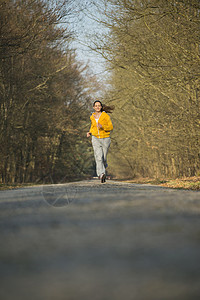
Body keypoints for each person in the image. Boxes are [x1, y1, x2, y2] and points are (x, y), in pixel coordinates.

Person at [87, 100, 114, 183]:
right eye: (96, 105)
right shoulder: (92, 116)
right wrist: (90, 132)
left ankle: (104, 165)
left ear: (101, 107)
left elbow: (110, 127)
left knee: (103, 158)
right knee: (98, 157)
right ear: (93, 107)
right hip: (95, 138)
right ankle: (101, 174)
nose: (97, 107)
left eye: (99, 105)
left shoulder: (105, 116)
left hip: (105, 138)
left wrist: (102, 126)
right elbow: (93, 126)